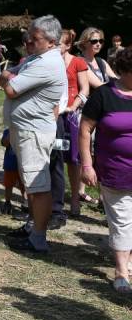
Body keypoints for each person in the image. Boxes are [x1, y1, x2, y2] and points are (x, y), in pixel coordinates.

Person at [0, 15, 66, 253]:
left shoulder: (46, 63)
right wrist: (8, 77)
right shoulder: (37, 58)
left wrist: (6, 77)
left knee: (38, 187)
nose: (29, 40)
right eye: (28, 36)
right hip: (26, 129)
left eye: (34, 38)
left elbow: (9, 88)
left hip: (34, 131)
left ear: (51, 41)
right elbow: (9, 78)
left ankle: (38, 237)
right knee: (31, 184)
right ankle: (33, 227)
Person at [80, 47, 132, 292]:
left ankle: (128, 260)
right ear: (124, 70)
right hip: (115, 170)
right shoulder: (104, 95)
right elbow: (85, 129)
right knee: (121, 220)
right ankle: (121, 271)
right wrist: (87, 164)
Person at [59, 29, 91, 215]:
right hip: (52, 114)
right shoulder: (49, 63)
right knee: (52, 157)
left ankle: (74, 198)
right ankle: (54, 197)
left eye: (59, 44)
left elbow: (85, 89)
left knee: (73, 159)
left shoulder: (78, 62)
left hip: (71, 114)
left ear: (68, 45)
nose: (56, 47)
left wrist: (73, 106)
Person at [0, 128, 25, 214]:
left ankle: (26, 203)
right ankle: (7, 203)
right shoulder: (8, 130)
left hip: (24, 164)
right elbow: (4, 143)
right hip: (11, 163)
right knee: (8, 185)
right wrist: (12, 131)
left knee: (24, 185)